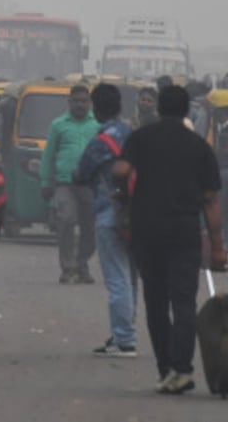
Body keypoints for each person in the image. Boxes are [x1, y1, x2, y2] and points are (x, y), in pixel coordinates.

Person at [113, 85, 226, 395]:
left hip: (147, 231)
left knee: (156, 302)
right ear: (187, 110)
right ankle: (183, 369)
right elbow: (211, 200)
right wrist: (217, 247)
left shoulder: (141, 138)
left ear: (159, 108)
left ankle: (165, 370)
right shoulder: (199, 147)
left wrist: (122, 189)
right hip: (184, 232)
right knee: (184, 302)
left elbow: (121, 169)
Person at [74, 83, 138, 358]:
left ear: (96, 109)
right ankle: (124, 333)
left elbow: (81, 174)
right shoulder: (133, 135)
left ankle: (124, 339)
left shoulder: (100, 143)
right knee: (131, 276)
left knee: (116, 278)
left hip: (110, 212)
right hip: (137, 213)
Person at [40, 84, 100, 283]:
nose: (80, 105)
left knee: (91, 228)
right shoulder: (58, 125)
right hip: (65, 183)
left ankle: (82, 263)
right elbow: (48, 156)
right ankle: (68, 268)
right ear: (69, 103)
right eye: (76, 101)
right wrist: (46, 182)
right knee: (66, 220)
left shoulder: (98, 125)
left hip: (91, 185)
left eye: (83, 101)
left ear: (89, 103)